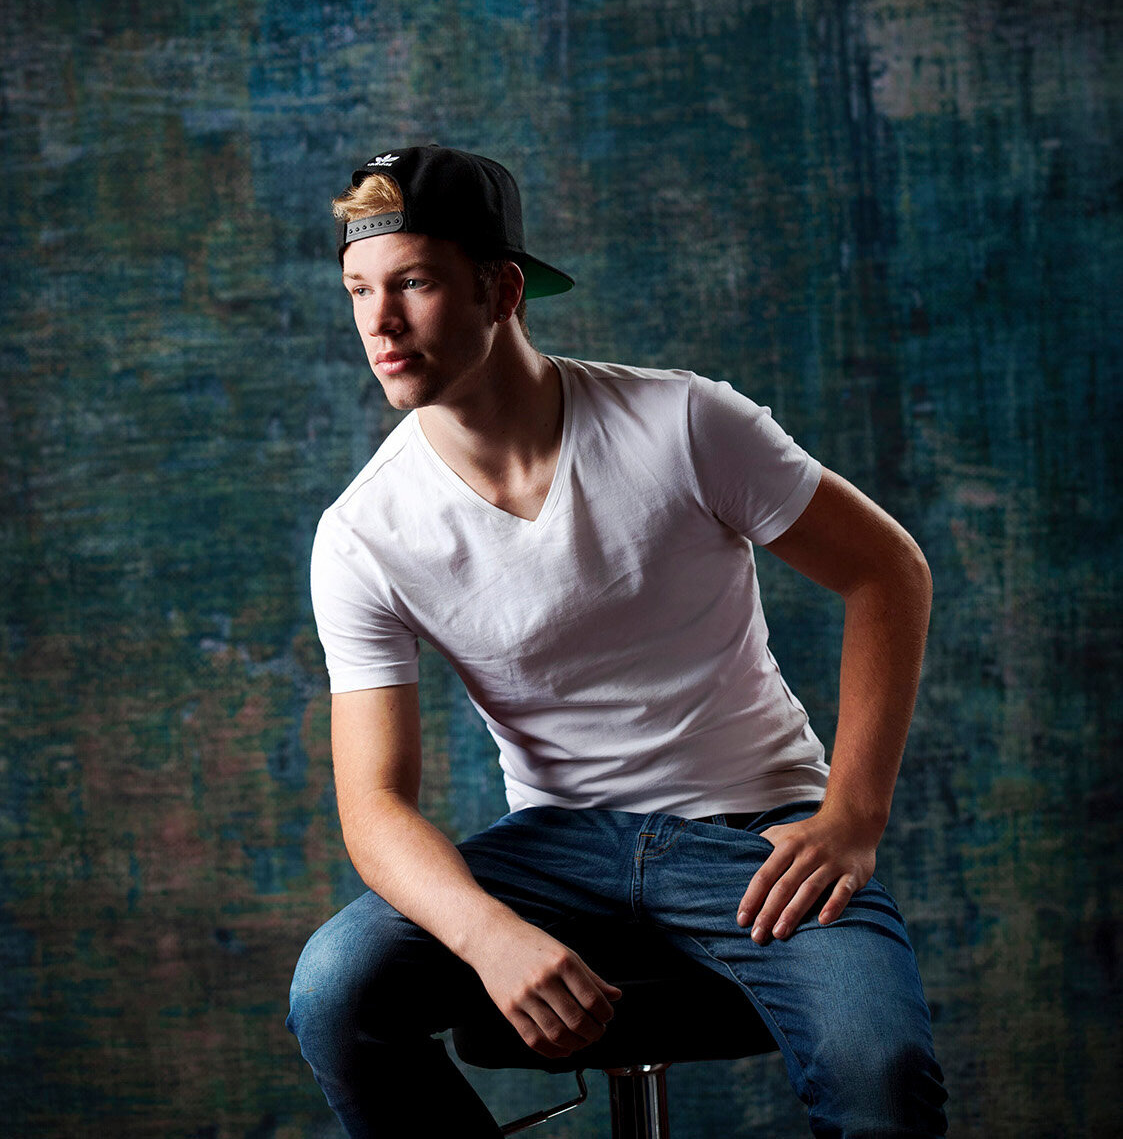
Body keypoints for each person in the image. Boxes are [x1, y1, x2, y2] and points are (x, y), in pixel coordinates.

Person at [286, 144, 948, 1137]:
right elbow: (374, 806)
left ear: (501, 288)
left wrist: (851, 812)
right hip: (552, 850)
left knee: (880, 1071)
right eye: (358, 290)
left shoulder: (681, 422)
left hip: (752, 831)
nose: (378, 323)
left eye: (413, 283)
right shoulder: (364, 533)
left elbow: (886, 569)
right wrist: (487, 934)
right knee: (336, 993)